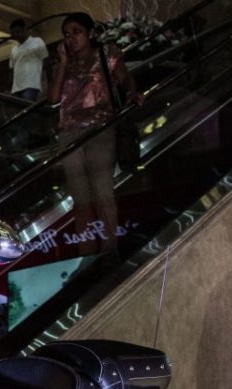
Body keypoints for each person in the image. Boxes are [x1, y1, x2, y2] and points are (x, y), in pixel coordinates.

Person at [48, 12, 144, 255]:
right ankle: (87, 251)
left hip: (101, 128)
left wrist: (133, 93)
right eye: (67, 34)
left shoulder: (106, 53)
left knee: (103, 191)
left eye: (76, 32)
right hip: (69, 132)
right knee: (80, 199)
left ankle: (110, 248)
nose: (71, 38)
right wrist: (61, 63)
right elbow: (53, 99)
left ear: (90, 33)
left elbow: (124, 78)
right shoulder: (63, 62)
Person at [9, 19, 48, 102]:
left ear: (24, 30)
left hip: (32, 85)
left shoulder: (37, 41)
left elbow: (45, 61)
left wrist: (45, 83)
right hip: (16, 89)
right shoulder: (14, 50)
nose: (16, 35)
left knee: (29, 111)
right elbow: (12, 69)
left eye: (18, 31)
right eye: (13, 33)